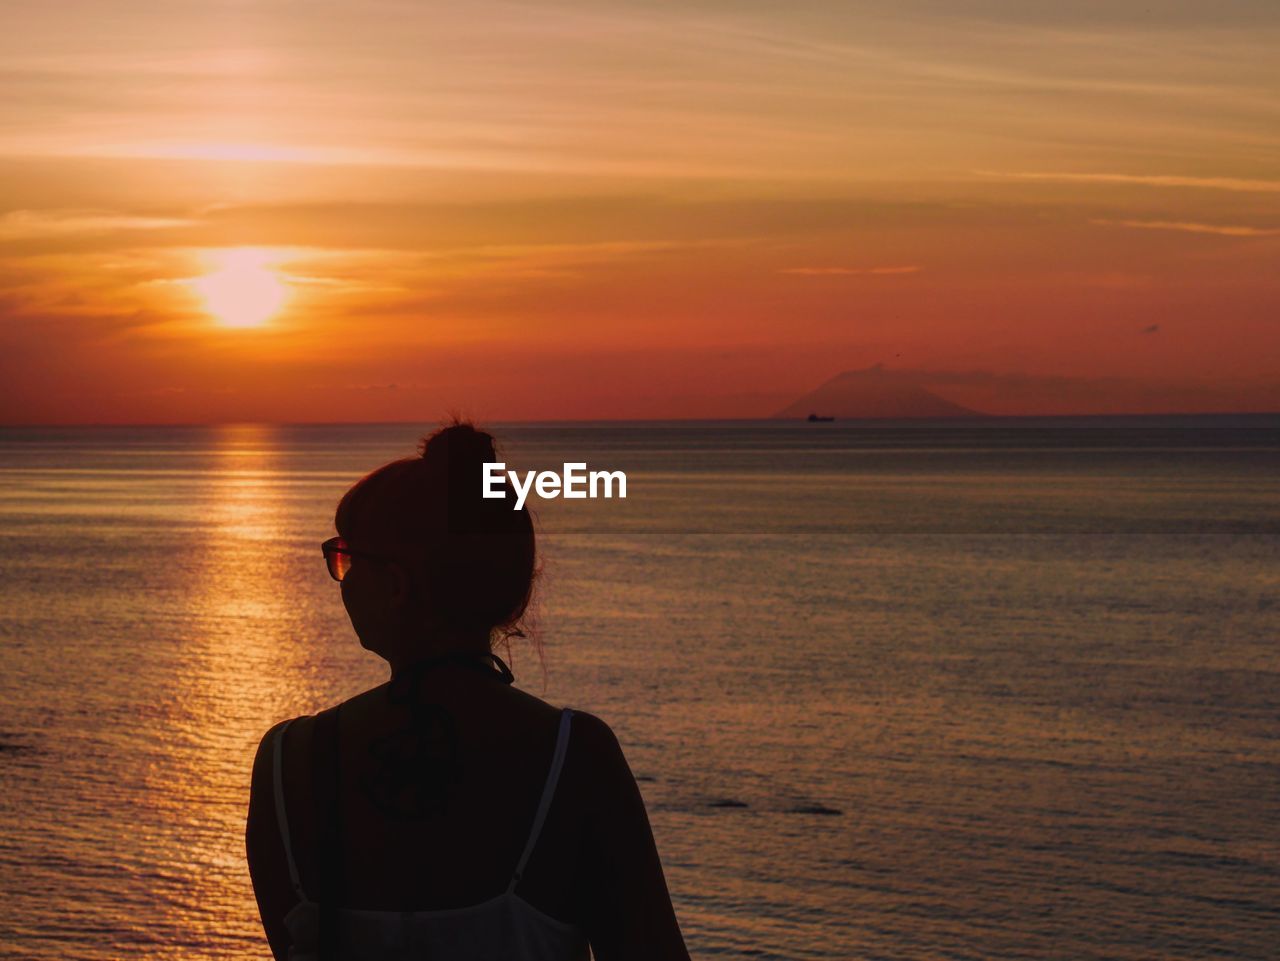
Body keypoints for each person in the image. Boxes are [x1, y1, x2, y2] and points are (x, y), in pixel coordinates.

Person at [245, 422, 691, 961]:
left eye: (346, 557)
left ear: (395, 584)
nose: (340, 576)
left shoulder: (289, 763)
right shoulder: (573, 756)